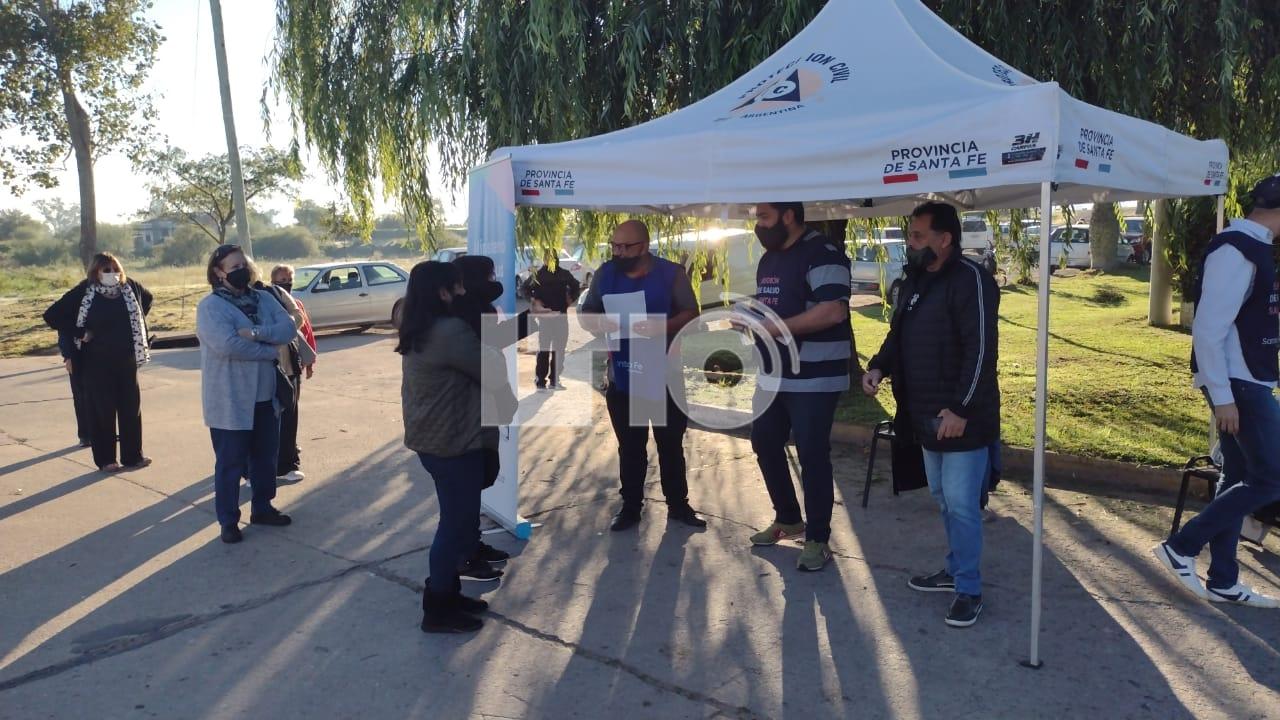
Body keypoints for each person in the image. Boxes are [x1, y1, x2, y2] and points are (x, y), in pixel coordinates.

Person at [863, 201, 1001, 628]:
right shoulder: (915, 280)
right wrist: (879, 366)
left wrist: (961, 408)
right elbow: (898, 334)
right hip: (924, 416)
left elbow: (981, 351)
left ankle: (969, 589)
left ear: (945, 239)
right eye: (910, 234)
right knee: (943, 498)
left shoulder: (972, 280)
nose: (910, 242)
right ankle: (956, 569)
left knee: (961, 504)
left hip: (963, 419)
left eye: (918, 235)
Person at [1154, 174, 1280, 608]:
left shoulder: (1255, 245)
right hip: (1239, 383)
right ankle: (1181, 546)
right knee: (1271, 477)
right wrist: (1223, 397)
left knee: (1241, 477)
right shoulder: (1236, 248)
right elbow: (1208, 329)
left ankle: (1223, 580)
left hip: (1247, 379)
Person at [398, 261, 516, 633]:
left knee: (458, 521)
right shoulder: (448, 330)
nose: (464, 293)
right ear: (442, 292)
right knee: (454, 526)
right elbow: (493, 369)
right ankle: (438, 607)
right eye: (458, 287)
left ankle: (448, 593)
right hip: (453, 441)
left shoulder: (418, 322)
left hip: (434, 438)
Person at [737, 202, 852, 572]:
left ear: (788, 216)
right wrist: (749, 316)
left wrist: (770, 328)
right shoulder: (769, 259)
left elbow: (833, 310)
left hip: (814, 377)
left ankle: (817, 538)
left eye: (764, 217)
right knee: (764, 442)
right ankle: (788, 519)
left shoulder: (823, 252)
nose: (758, 225)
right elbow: (774, 305)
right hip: (773, 374)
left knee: (812, 453)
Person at [578, 219, 706, 532]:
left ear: (644, 246)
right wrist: (600, 323)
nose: (618, 252)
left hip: (664, 378)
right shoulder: (605, 274)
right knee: (630, 448)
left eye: (626, 247)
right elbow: (587, 314)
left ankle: (678, 505)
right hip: (623, 377)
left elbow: (692, 313)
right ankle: (631, 507)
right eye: (615, 246)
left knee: (670, 445)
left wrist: (662, 326)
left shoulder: (671, 273)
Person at [196, 245, 298, 544]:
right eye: (234, 266)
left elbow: (288, 328)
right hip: (229, 399)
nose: (241, 270)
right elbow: (227, 345)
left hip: (265, 395)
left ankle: (263, 508)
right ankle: (228, 521)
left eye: (244, 265)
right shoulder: (210, 307)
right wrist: (269, 350)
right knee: (231, 463)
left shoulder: (264, 298)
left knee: (265, 458)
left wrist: (255, 333)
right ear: (218, 272)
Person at [450, 253, 532, 582]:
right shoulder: (464, 312)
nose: (495, 281)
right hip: (470, 410)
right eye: (490, 275)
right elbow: (485, 352)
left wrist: (532, 319)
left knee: (478, 480)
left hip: (482, 407)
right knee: (468, 487)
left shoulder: (474, 306)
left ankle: (472, 544)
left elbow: (492, 341)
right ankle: (462, 557)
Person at [43, 253, 154, 472]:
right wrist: (79, 332)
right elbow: (52, 315)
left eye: (116, 269)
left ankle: (133, 456)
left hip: (127, 359)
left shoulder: (130, 287)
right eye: (107, 270)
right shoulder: (85, 291)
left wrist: (136, 322)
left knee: (131, 409)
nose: (113, 274)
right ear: (96, 272)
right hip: (96, 362)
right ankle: (106, 459)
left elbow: (148, 300)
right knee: (102, 410)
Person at [265, 264, 318, 484]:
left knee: (290, 413)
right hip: (276, 368)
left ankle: (288, 449)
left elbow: (306, 333)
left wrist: (309, 360)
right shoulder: (267, 302)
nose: (286, 284)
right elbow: (294, 323)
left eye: (289, 280)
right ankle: (282, 462)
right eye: (281, 281)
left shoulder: (295, 302)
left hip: (292, 364)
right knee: (278, 416)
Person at [526, 253, 581, 390]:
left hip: (553, 317)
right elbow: (525, 289)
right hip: (552, 317)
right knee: (554, 349)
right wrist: (534, 301)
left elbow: (524, 289)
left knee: (552, 349)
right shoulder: (543, 275)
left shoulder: (558, 274)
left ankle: (546, 381)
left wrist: (533, 300)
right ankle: (548, 380)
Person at [55, 329, 91, 447]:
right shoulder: (68, 316)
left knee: (104, 397)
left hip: (100, 352)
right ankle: (85, 435)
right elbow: (63, 329)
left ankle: (105, 432)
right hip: (76, 355)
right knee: (81, 397)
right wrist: (68, 357)